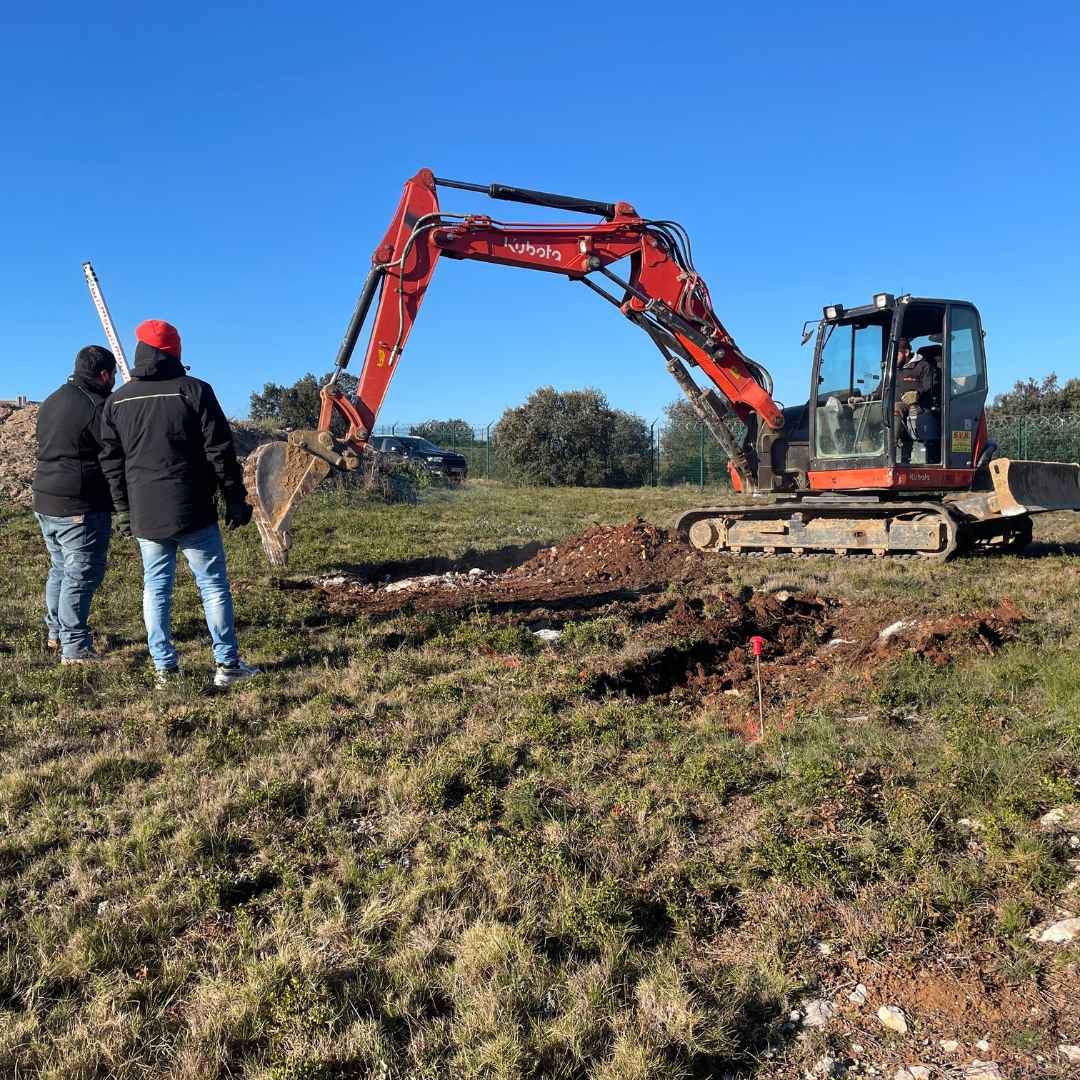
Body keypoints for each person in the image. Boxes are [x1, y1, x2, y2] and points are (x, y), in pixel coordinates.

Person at [98, 319, 259, 687]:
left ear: (140, 352)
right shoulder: (194, 391)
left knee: (156, 588)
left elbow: (111, 461)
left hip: (145, 514)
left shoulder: (118, 401)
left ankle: (165, 670)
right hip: (194, 511)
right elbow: (220, 451)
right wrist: (235, 498)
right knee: (213, 586)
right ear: (175, 353)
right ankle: (228, 665)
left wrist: (122, 509)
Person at [31, 346, 117, 663]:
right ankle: (76, 647)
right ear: (105, 374)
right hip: (79, 504)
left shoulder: (53, 399)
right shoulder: (97, 407)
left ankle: (56, 634)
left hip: (45, 498)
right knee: (80, 576)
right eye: (113, 376)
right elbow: (113, 452)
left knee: (60, 569)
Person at [893, 338, 941, 464]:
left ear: (906, 352)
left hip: (918, 407)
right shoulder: (892, 371)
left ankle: (888, 453)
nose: (892, 358)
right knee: (861, 412)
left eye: (896, 354)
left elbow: (931, 388)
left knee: (894, 409)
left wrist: (917, 394)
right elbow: (880, 391)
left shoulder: (924, 366)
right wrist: (864, 398)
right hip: (893, 408)